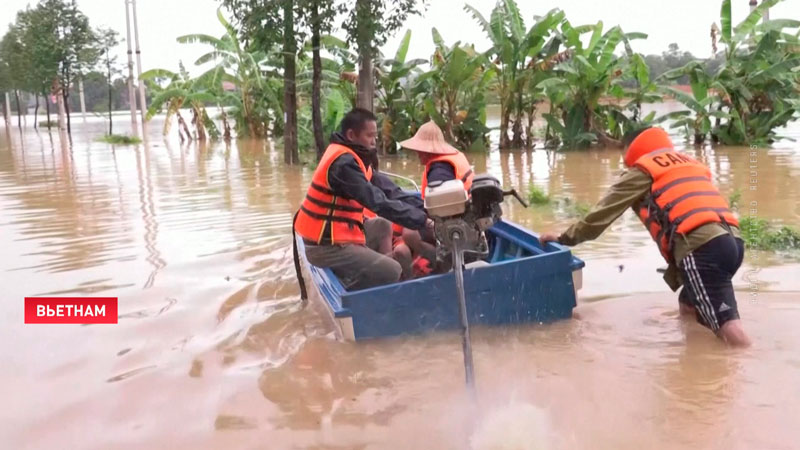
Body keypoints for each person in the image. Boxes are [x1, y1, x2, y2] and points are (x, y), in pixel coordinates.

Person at [539, 127, 751, 347]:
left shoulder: (642, 171)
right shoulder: (688, 163)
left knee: (727, 326)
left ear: (633, 149)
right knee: (688, 304)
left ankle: (747, 367)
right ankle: (694, 357)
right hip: (732, 242)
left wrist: (564, 238)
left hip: (701, 249)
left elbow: (600, 216)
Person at [293, 108, 432, 292]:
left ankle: (380, 273)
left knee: (382, 225)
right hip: (325, 246)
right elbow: (377, 201)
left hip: (342, 235)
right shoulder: (343, 165)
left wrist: (428, 209)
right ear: (351, 135)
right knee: (394, 270)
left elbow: (393, 191)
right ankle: (358, 284)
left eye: (375, 136)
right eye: (370, 136)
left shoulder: (356, 160)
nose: (374, 141)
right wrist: (422, 221)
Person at [398, 121, 475, 267]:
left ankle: (443, 262)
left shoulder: (439, 171)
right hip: (468, 217)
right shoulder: (453, 156)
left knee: (409, 233)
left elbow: (442, 212)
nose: (417, 153)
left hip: (458, 224)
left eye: (419, 149)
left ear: (428, 150)